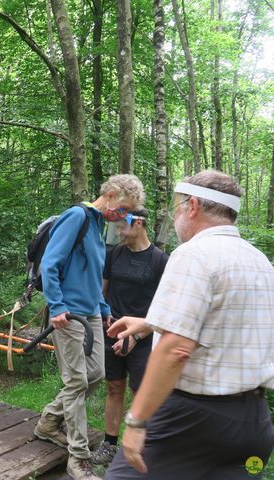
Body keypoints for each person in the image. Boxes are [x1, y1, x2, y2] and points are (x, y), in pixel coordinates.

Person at [105, 170, 274, 479]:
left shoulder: (193, 253)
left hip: (190, 419)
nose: (177, 215)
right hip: (254, 424)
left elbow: (176, 349)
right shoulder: (260, 262)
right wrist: (148, 323)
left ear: (193, 206)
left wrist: (137, 421)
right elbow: (226, 324)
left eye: (178, 207)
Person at [34, 174, 145, 480]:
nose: (122, 216)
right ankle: (78, 458)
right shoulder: (76, 217)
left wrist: (104, 307)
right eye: (122, 208)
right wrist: (56, 306)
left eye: (127, 212)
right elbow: (50, 264)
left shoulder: (98, 226)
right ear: (109, 194)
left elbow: (93, 274)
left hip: (92, 314)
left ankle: (48, 422)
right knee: (76, 382)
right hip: (68, 315)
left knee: (95, 375)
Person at [91, 208, 169, 466]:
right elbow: (103, 293)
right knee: (114, 387)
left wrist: (136, 337)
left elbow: (164, 309)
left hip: (143, 338)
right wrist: (103, 322)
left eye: (122, 227)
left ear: (138, 224)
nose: (118, 233)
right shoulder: (114, 255)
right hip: (113, 331)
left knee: (140, 391)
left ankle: (141, 447)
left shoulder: (160, 261)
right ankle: (110, 444)